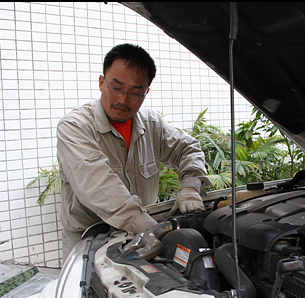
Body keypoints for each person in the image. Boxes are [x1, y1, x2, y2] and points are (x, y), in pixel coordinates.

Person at [57, 43, 210, 261]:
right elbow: (97, 185)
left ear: (145, 93)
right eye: (116, 88)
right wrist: (151, 228)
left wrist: (190, 188)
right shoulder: (75, 127)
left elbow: (188, 148)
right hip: (89, 240)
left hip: (144, 235)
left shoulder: (152, 124)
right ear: (102, 82)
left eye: (134, 93)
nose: (122, 100)